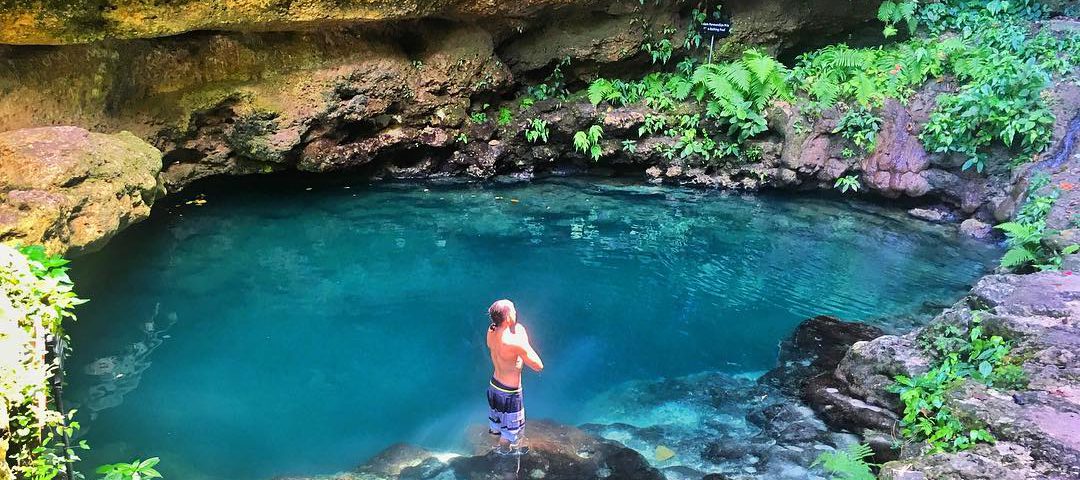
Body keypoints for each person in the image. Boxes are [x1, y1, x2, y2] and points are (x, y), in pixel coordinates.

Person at [485, 299, 544, 453]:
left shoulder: (491, 331)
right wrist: (524, 340)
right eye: (513, 310)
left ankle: (494, 449)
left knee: (496, 423)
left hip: (494, 385)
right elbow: (538, 366)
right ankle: (505, 458)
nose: (516, 312)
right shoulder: (514, 342)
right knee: (510, 432)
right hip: (509, 393)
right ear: (509, 317)